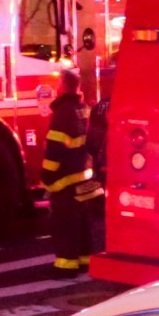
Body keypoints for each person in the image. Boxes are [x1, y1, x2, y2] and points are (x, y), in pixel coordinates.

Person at [41, 70, 102, 276]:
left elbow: (55, 146)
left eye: (58, 82)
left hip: (65, 179)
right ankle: (84, 260)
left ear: (63, 85)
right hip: (82, 175)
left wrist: (47, 175)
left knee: (64, 224)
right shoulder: (82, 108)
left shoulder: (63, 112)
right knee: (82, 222)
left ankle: (65, 266)